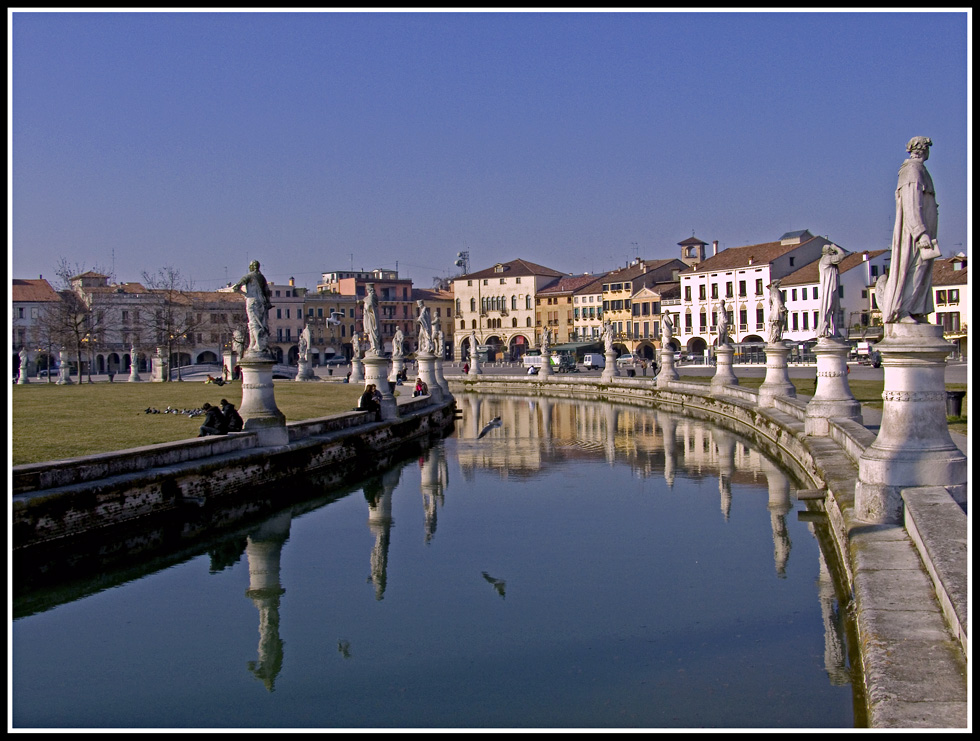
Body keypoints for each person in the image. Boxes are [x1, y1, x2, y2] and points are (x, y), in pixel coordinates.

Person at [877, 136, 940, 324]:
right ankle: (904, 310)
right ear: (923, 149)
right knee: (914, 268)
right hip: (914, 234)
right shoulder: (912, 170)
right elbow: (912, 203)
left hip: (923, 231)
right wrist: (920, 232)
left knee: (922, 268)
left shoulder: (920, 170)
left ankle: (916, 309)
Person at [232, 260, 273, 355]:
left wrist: (245, 294)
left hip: (252, 301)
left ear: (250, 267)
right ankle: (254, 344)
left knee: (253, 323)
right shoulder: (262, 277)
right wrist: (268, 303)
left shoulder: (248, 276)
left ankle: (257, 344)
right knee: (260, 323)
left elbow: (235, 288)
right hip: (262, 302)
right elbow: (267, 291)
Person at [816, 244, 846, 338]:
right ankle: (824, 329)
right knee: (828, 308)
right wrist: (837, 247)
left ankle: (835, 330)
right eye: (831, 250)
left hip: (834, 287)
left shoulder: (829, 260)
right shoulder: (827, 259)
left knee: (836, 309)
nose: (833, 252)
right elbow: (841, 256)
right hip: (829, 289)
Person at [362, 284, 383, 356]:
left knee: (373, 331)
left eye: (367, 289)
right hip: (369, 317)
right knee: (371, 333)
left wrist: (366, 304)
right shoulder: (370, 298)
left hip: (372, 317)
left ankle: (375, 347)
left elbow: (369, 307)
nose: (367, 291)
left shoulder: (371, 298)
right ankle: (373, 346)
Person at [766, 279, 788, 344]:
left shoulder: (772, 292)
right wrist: (783, 308)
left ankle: (773, 338)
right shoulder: (776, 291)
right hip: (777, 311)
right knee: (777, 325)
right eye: (778, 284)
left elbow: (770, 302)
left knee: (775, 325)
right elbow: (778, 300)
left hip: (774, 310)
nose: (779, 285)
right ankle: (775, 338)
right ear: (774, 284)